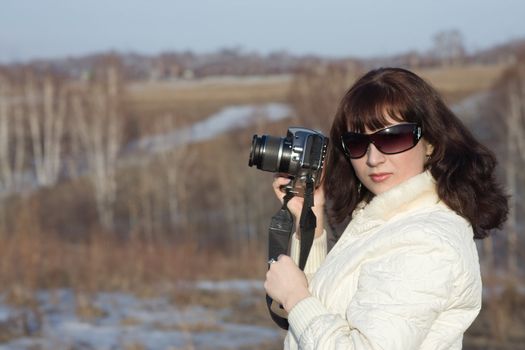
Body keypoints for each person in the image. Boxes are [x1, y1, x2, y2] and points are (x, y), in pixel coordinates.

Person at [264, 67, 508, 349]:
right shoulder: (388, 221)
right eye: (357, 143)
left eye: (392, 138)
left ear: (429, 143)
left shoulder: (426, 242)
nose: (373, 158)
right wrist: (312, 221)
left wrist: (296, 299)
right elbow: (329, 313)